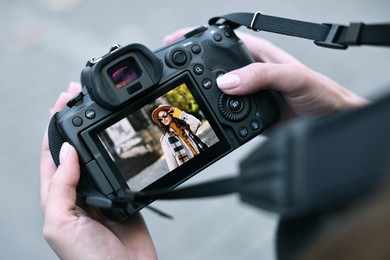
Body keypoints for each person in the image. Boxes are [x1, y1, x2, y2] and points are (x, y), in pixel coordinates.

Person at [40, 28, 368, 259]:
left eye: (166, 115)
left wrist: (343, 115)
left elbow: (199, 127)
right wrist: (347, 113)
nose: (167, 120)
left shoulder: (183, 119)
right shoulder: (168, 137)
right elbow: (170, 162)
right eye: (163, 120)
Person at [151, 104, 207, 170]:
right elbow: (171, 161)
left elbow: (196, 123)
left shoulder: (184, 126)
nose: (163, 119)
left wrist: (179, 113)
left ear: (170, 113)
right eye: (160, 119)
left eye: (164, 116)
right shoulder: (165, 139)